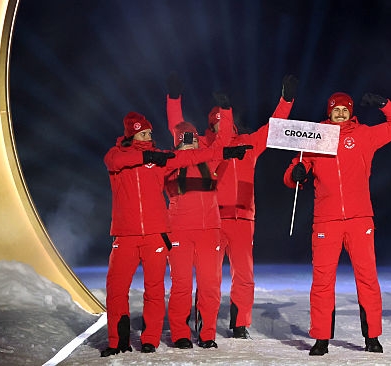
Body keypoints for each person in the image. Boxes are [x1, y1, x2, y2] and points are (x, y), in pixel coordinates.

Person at [100, 111, 251, 356]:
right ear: (130, 135)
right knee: (120, 288)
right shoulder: (119, 155)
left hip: (170, 233)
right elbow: (114, 161)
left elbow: (203, 152)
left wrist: (224, 151)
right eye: (142, 133)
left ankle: (155, 339)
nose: (147, 136)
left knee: (164, 288)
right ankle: (120, 341)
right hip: (134, 233)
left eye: (149, 133)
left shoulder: (162, 158)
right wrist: (144, 156)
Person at [167, 72, 298, 339]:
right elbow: (176, 128)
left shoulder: (249, 144)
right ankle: (205, 322)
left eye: (222, 122)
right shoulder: (203, 146)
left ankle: (239, 324)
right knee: (209, 277)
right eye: (214, 124)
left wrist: (286, 100)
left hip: (243, 218)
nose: (218, 128)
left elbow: (275, 127)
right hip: (212, 219)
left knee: (245, 275)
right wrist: (174, 98)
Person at [283, 91, 391, 356]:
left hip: (359, 218)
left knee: (367, 279)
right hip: (326, 220)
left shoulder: (365, 135)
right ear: (328, 111)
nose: (340, 113)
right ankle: (321, 338)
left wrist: (384, 104)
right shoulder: (316, 136)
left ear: (351, 112)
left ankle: (372, 337)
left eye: (344, 109)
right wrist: (296, 173)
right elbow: (296, 170)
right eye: (335, 109)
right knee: (322, 281)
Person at [162, 114, 252, 349]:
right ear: (177, 141)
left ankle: (207, 334)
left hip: (209, 231)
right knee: (181, 286)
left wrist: (226, 109)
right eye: (185, 139)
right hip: (179, 231)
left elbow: (221, 142)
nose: (191, 143)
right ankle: (181, 334)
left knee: (210, 285)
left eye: (193, 139)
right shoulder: (167, 163)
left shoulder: (209, 161)